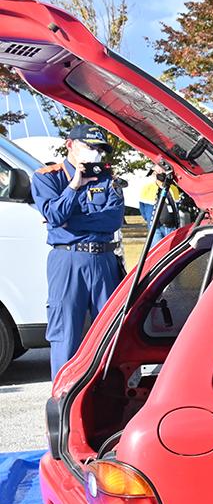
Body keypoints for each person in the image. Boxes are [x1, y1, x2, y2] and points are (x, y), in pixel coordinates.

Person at [31, 124, 126, 377]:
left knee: (110, 332)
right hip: (68, 259)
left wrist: (70, 222)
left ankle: (109, 395)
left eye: (99, 149)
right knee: (65, 333)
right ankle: (63, 399)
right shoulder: (48, 177)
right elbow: (53, 214)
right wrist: (73, 186)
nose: (95, 153)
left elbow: (113, 220)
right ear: (70, 144)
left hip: (104, 258)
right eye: (89, 146)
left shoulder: (108, 179)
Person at [136, 158, 184, 245]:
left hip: (171, 227)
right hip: (156, 229)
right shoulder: (147, 188)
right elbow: (143, 209)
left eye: (163, 170)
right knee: (157, 251)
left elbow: (177, 206)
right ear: (154, 172)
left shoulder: (173, 188)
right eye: (158, 170)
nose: (161, 172)